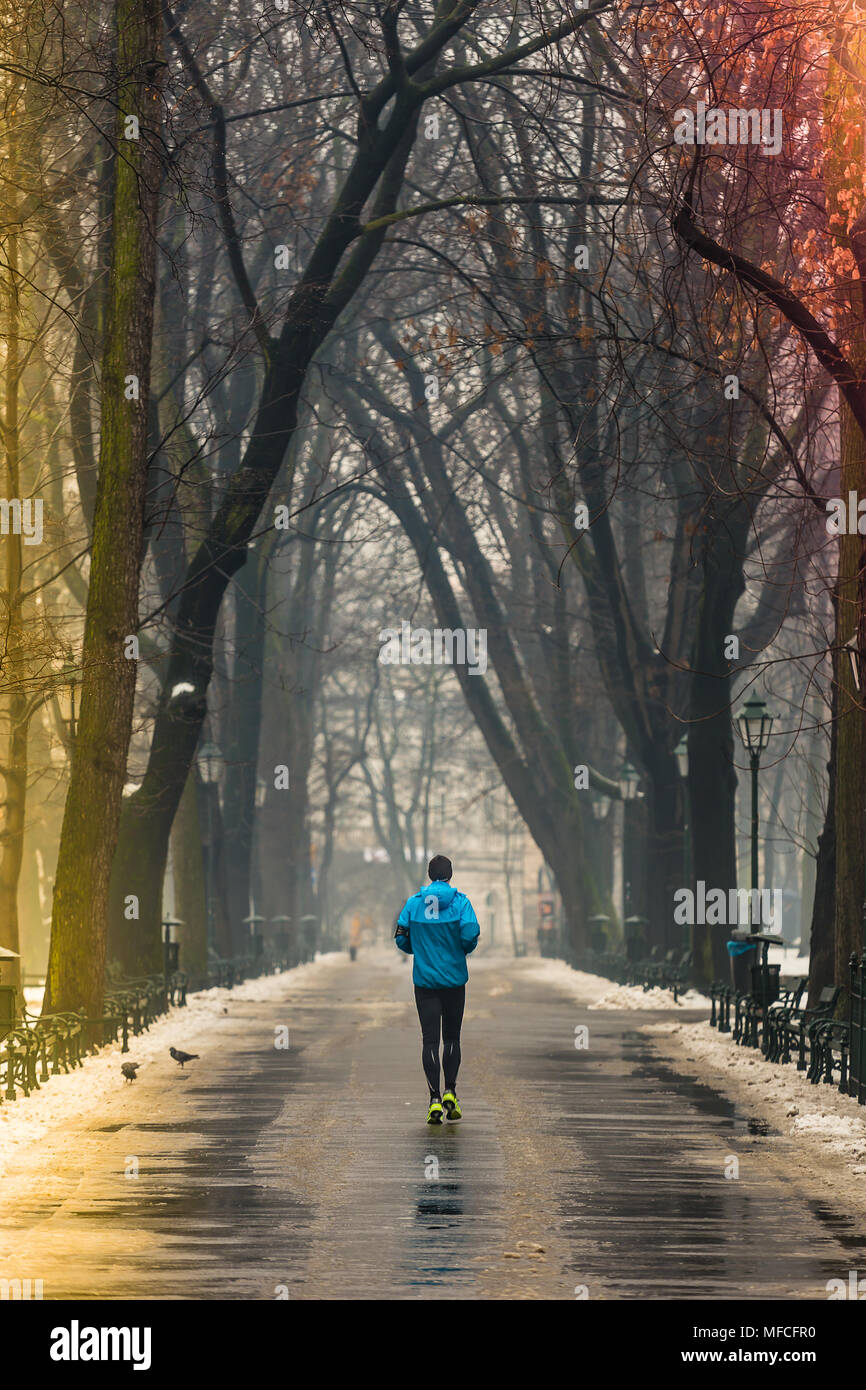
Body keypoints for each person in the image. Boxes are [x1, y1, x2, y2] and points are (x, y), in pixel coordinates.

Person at [394, 854, 480, 1125]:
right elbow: (470, 934)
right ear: (450, 876)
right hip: (454, 982)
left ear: (430, 876)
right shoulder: (461, 902)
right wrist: (461, 950)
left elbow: (401, 937)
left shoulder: (414, 903)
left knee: (430, 1040)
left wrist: (417, 949)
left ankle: (433, 1098)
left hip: (425, 983)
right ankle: (450, 1091)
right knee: (452, 1038)